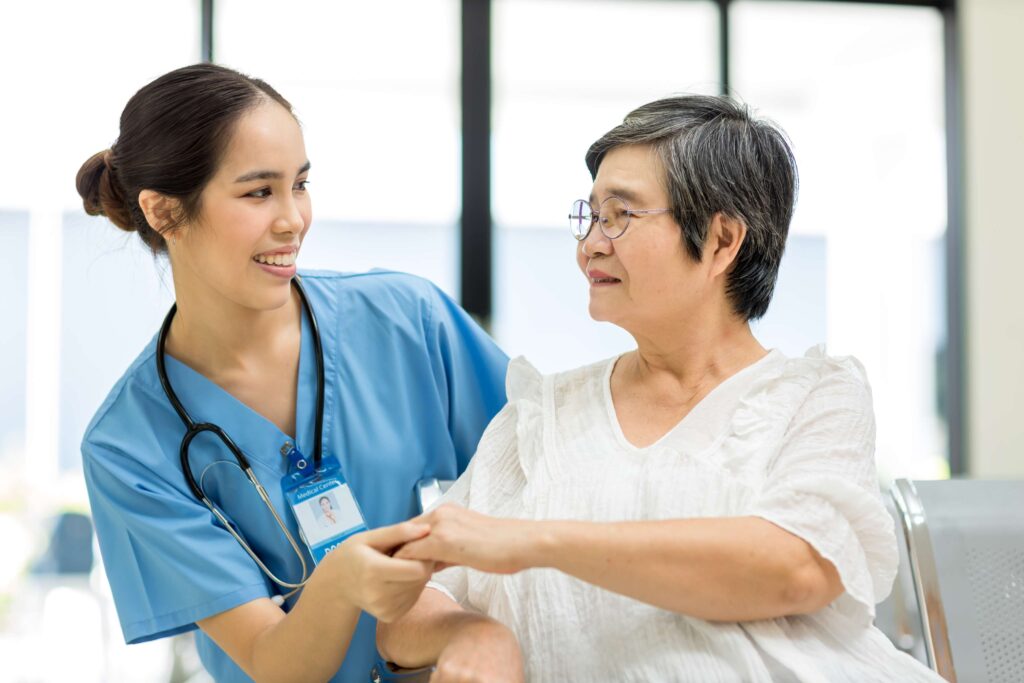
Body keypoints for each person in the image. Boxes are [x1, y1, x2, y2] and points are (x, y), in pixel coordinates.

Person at [377, 95, 945, 682]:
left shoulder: (815, 397)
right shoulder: (543, 416)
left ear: (722, 241)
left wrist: (534, 542)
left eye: (620, 215)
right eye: (590, 214)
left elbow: (796, 567)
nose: (591, 244)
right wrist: (473, 634)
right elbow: (410, 601)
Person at [76, 64, 508, 683]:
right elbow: (278, 665)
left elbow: (547, 475)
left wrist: (479, 631)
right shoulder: (127, 446)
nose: (293, 220)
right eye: (258, 192)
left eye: (299, 185)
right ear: (165, 212)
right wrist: (346, 576)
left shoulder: (406, 319)